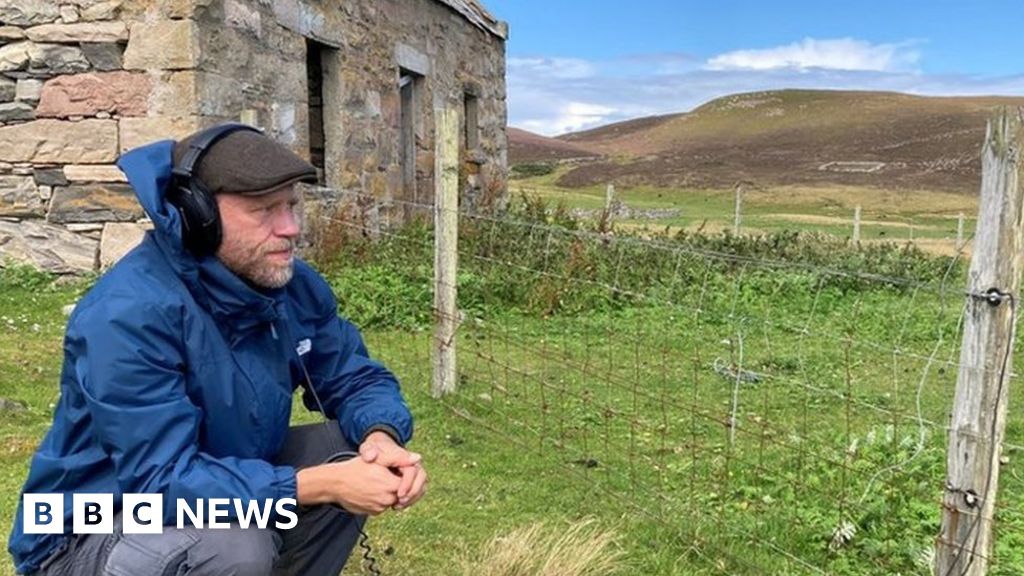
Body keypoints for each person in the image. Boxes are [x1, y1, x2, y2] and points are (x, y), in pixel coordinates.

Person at [8, 123, 427, 575]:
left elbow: (352, 374)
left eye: (291, 206)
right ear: (198, 216)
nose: (290, 229)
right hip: (89, 522)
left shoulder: (289, 286)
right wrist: (314, 485)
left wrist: (380, 437)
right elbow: (160, 480)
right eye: (265, 210)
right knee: (230, 543)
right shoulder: (127, 314)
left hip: (192, 493)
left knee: (343, 450)